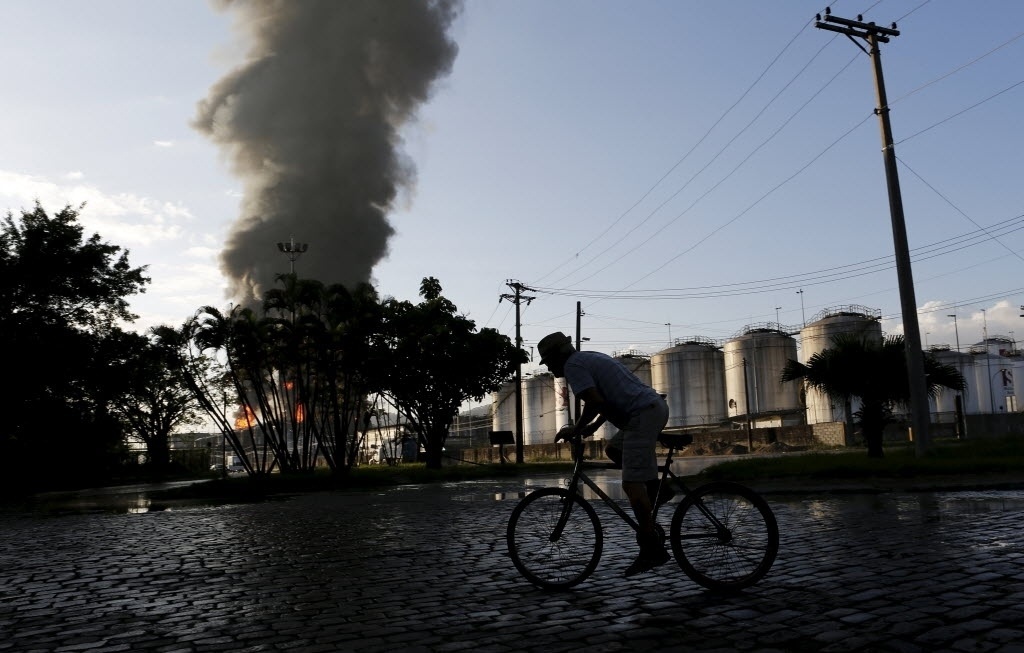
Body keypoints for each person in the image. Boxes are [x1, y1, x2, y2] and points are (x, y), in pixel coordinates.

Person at [536, 331, 671, 577]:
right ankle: (658, 490)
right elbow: (605, 401)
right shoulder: (589, 357)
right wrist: (590, 428)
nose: (550, 368)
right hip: (649, 409)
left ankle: (652, 550)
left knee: (631, 485)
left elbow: (596, 402)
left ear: (557, 357)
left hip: (642, 414)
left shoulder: (573, 366)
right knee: (613, 449)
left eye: (548, 362)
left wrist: (576, 430)